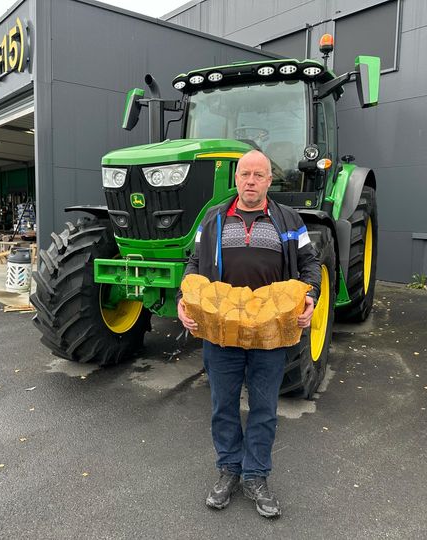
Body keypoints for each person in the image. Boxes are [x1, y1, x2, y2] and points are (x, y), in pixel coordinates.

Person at [177, 150, 321, 518]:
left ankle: (256, 475)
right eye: (245, 174)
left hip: (270, 333)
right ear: (236, 179)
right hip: (221, 331)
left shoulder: (289, 220)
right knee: (223, 406)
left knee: (263, 409)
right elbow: (193, 265)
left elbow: (309, 264)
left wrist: (311, 297)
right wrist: (184, 299)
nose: (251, 181)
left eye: (259, 175)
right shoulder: (212, 220)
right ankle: (229, 470)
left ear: (270, 180)